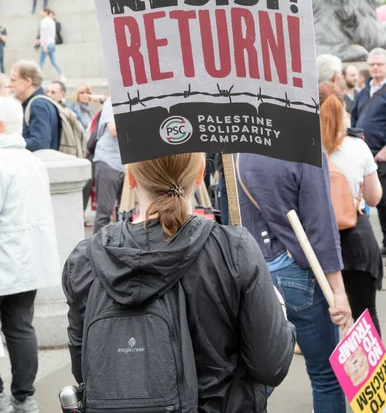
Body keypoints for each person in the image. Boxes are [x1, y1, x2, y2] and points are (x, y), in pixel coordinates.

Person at [62, 153, 295, 412]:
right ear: (199, 175)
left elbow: (85, 368)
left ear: (130, 177)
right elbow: (270, 366)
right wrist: (277, 308)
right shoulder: (233, 250)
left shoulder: (84, 261)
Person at [236, 152, 352, 413]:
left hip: (255, 271)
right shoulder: (304, 147)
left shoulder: (240, 150)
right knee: (325, 376)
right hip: (298, 271)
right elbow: (321, 225)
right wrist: (339, 291)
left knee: (254, 377)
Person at [0, 97, 60, 413]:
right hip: (27, 262)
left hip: (5, 258)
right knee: (22, 328)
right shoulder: (32, 161)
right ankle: (24, 397)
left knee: (18, 329)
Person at [319, 82, 383, 334]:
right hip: (357, 239)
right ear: (343, 109)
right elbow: (374, 197)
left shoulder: (302, 150)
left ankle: (333, 374)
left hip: (318, 241)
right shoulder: (358, 146)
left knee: (325, 322)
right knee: (366, 315)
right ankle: (372, 373)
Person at [352, 48, 386, 267]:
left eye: (379, 64)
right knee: (377, 200)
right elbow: (354, 120)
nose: (375, 68)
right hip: (367, 156)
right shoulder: (364, 92)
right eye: (372, 64)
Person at [10, 60, 59, 152]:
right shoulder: (40, 102)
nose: (10, 84)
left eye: (13, 80)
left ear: (28, 81)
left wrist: (10, 141)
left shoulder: (37, 104)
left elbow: (40, 144)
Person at [92, 96, 124, 233]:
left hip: (128, 164)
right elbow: (113, 130)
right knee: (104, 212)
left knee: (125, 213)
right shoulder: (112, 100)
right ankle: (96, 250)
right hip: (108, 160)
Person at [38, 7, 65, 79]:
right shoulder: (52, 21)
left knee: (40, 62)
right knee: (54, 61)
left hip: (46, 44)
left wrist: (44, 44)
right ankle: (61, 75)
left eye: (42, 11)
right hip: (52, 43)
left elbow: (44, 33)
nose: (40, 13)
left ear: (45, 12)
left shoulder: (43, 21)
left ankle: (38, 78)